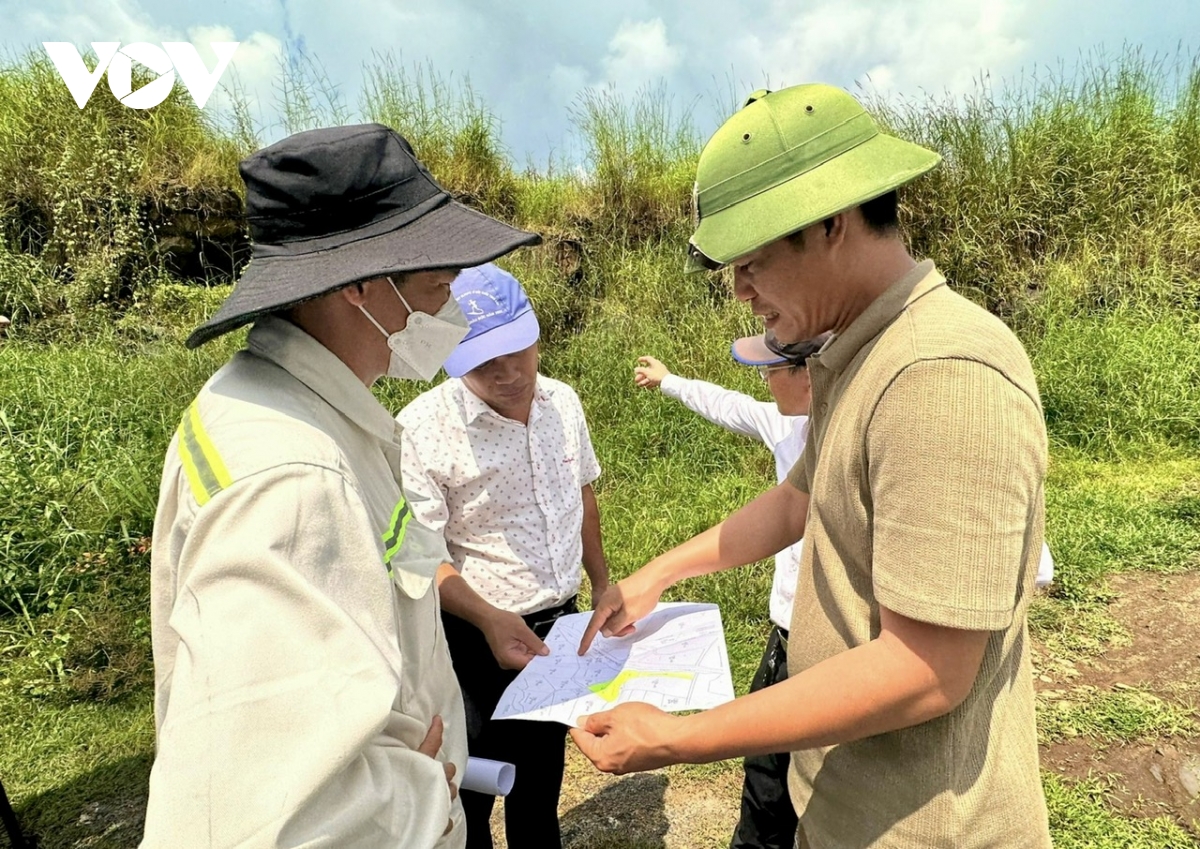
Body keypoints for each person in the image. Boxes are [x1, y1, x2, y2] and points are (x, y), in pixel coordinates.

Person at [573, 84, 1054, 848]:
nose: (739, 290)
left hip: (920, 827)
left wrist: (678, 738)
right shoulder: (855, 352)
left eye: (753, 260)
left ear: (832, 221)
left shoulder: (941, 374)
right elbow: (800, 499)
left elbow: (925, 667)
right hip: (845, 800)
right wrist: (658, 572)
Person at [142, 124, 540, 848]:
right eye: (435, 284)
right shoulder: (291, 478)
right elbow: (273, 817)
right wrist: (428, 791)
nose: (449, 307)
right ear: (359, 285)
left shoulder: (270, 405)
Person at [397, 263, 609, 849]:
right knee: (470, 790)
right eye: (483, 360)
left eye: (518, 349)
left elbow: (582, 494)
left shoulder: (563, 403)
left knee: (538, 780)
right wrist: (489, 618)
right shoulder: (421, 431)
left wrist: (602, 582)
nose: (508, 372)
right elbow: (420, 556)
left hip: (556, 628)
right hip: (471, 637)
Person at [635, 334, 823, 849]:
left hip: (846, 648)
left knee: (829, 788)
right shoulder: (786, 424)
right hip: (788, 633)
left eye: (772, 370)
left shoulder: (885, 433)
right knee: (766, 780)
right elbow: (728, 406)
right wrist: (669, 382)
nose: (763, 381)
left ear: (810, 373)